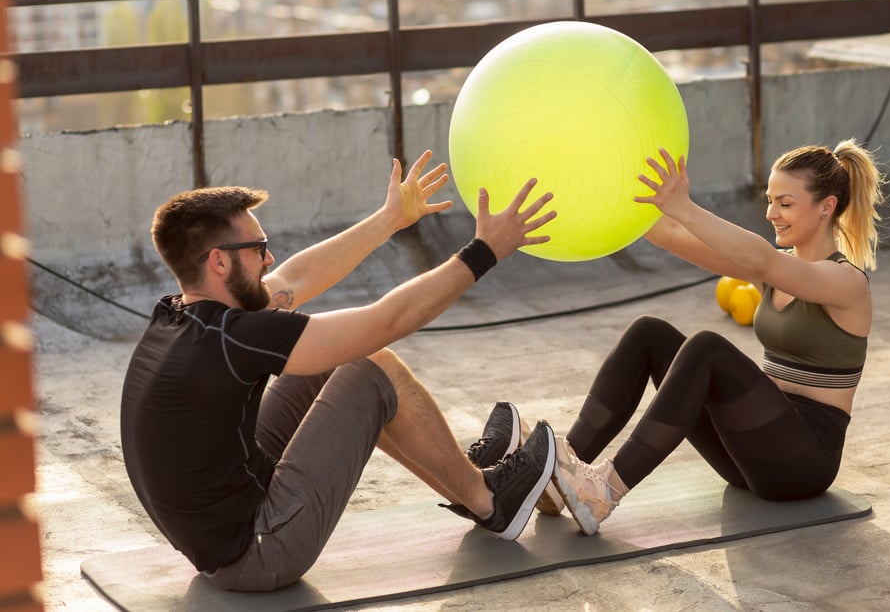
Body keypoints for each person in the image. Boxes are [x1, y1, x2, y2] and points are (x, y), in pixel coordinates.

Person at [120, 150, 560, 592]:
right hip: (256, 553)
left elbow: (297, 278)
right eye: (258, 249)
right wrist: (486, 252)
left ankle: (460, 479)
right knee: (372, 365)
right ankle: (491, 502)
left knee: (334, 359)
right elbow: (388, 321)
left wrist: (389, 220)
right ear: (219, 261)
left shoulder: (180, 315)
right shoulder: (231, 337)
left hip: (221, 530)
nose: (269, 259)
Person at [544, 139, 884, 535]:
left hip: (803, 463)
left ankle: (605, 488)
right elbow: (668, 234)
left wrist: (685, 206)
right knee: (649, 332)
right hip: (752, 454)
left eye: (785, 203)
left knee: (708, 348)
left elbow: (759, 259)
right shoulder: (776, 271)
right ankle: (557, 473)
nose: (772, 213)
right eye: (770, 201)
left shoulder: (845, 282)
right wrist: (607, 189)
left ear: (826, 207)